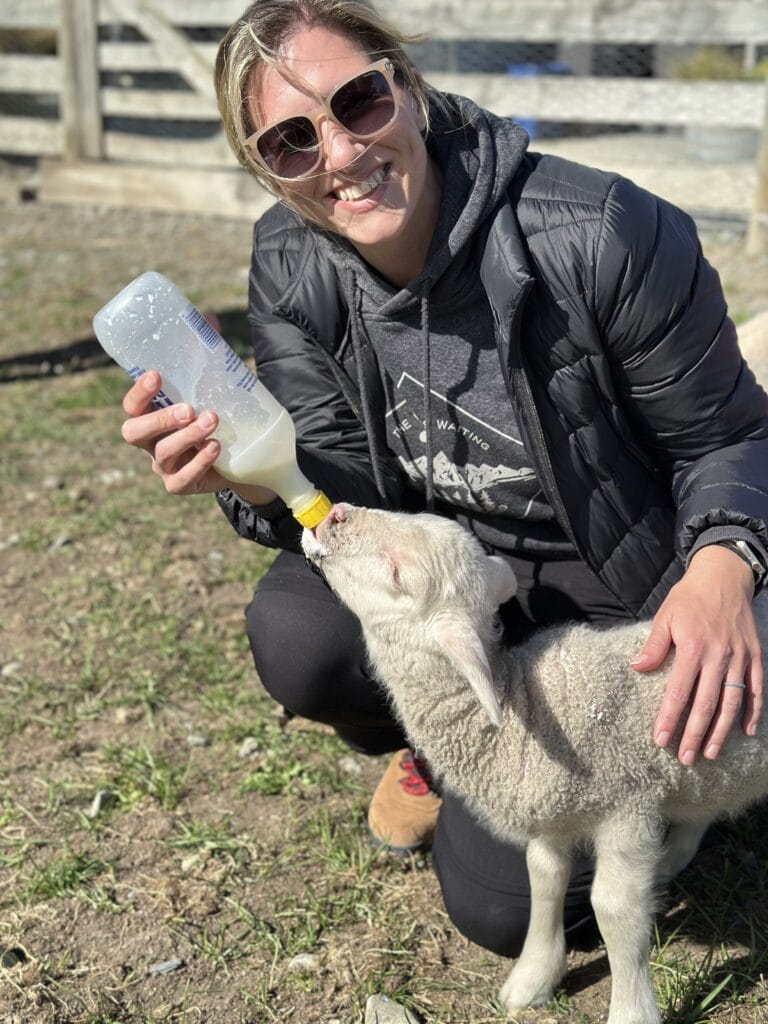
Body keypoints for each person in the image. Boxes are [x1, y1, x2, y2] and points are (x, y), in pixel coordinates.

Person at [120, 0, 768, 957]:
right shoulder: (291, 261)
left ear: (409, 90)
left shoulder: (604, 232)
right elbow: (331, 480)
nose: (340, 153)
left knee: (521, 898)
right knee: (298, 635)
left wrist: (724, 565)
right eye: (292, 141)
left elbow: (732, 435)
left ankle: (671, 787)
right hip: (446, 580)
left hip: (622, 580)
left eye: (359, 102)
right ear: (267, 169)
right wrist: (250, 478)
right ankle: (452, 739)